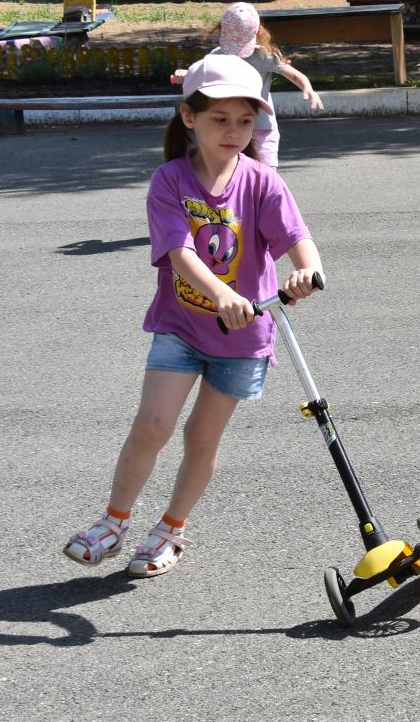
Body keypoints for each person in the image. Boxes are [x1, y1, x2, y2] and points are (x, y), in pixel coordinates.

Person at [62, 54, 323, 578]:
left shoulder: (263, 182)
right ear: (190, 118)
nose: (234, 132)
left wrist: (306, 273)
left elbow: (299, 241)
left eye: (245, 121)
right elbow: (180, 254)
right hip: (181, 326)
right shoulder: (170, 180)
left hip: (245, 338)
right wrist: (221, 293)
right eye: (219, 119)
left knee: (201, 439)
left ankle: (171, 529)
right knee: (152, 426)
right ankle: (114, 522)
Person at [174, 2, 324, 167]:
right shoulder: (217, 55)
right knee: (231, 173)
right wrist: (186, 75)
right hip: (231, 127)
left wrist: (308, 88)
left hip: (261, 128)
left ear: (258, 33)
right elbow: (205, 77)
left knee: (266, 174)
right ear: (221, 30)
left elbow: (295, 75)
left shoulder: (262, 56)